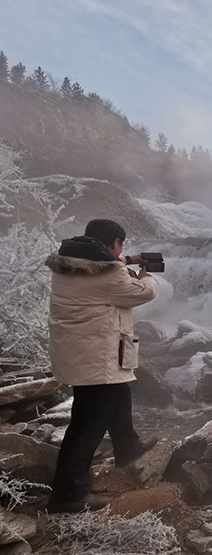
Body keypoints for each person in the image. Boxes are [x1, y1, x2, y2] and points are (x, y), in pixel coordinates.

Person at [45, 219, 159, 513]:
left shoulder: (72, 262)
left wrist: (128, 260)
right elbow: (143, 293)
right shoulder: (109, 273)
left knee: (120, 394)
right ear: (113, 243)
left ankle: (127, 446)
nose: (122, 252)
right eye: (121, 245)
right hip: (95, 354)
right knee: (88, 425)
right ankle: (69, 496)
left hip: (85, 350)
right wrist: (146, 276)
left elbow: (106, 267)